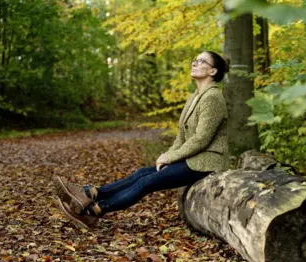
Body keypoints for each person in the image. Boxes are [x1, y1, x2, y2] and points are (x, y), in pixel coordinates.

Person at [55, 51, 230, 230]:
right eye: (195, 59)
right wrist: (168, 154)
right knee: (141, 173)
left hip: (207, 162)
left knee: (146, 182)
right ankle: (90, 193)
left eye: (201, 61)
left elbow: (202, 139)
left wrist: (170, 158)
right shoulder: (195, 96)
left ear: (213, 71)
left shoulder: (213, 97)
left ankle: (93, 212)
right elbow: (182, 136)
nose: (194, 63)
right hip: (193, 159)